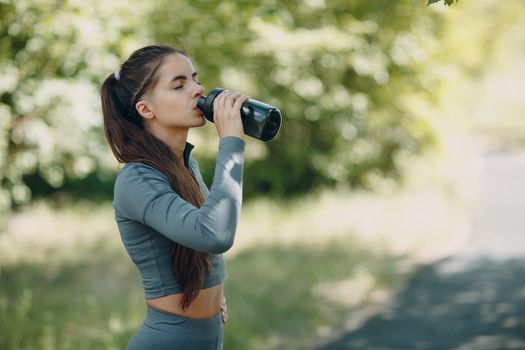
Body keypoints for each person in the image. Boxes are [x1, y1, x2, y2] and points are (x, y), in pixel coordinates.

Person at [100, 44, 249, 350]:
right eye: (179, 85)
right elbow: (215, 234)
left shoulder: (184, 164)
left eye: (195, 79)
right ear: (145, 108)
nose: (197, 90)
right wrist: (231, 142)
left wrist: (212, 297)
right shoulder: (137, 179)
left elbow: (204, 244)